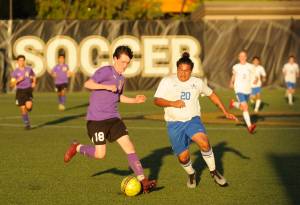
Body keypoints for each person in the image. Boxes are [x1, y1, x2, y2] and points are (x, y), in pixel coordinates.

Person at [63, 46, 156, 193]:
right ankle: (77, 147)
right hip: (96, 120)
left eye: (127, 63)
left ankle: (143, 180)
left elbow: (118, 96)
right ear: (115, 59)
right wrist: (105, 87)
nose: (124, 66)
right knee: (100, 154)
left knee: (129, 147)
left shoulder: (121, 78)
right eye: (122, 62)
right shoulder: (105, 71)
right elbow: (88, 84)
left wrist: (135, 100)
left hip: (113, 119)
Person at [154, 52, 237, 188]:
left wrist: (225, 111)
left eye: (186, 71)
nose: (183, 73)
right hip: (174, 124)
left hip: (193, 120)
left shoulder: (197, 82)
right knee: (183, 158)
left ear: (191, 71)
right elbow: (157, 100)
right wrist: (173, 103)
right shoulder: (167, 81)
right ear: (177, 69)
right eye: (180, 70)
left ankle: (214, 172)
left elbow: (212, 95)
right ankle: (192, 174)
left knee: (204, 143)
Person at [229, 51, 256, 134]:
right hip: (239, 89)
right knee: (245, 107)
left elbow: (254, 77)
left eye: (244, 56)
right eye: (240, 56)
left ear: (246, 57)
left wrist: (254, 88)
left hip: (248, 90)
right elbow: (233, 75)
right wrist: (231, 82)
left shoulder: (250, 66)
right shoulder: (236, 67)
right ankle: (249, 126)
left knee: (242, 107)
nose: (242, 57)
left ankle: (233, 103)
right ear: (238, 57)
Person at [10, 55, 36, 130]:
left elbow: (33, 76)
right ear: (17, 62)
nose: (21, 62)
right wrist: (18, 80)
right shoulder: (15, 72)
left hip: (28, 90)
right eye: (20, 60)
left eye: (22, 60)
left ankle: (29, 108)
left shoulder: (29, 69)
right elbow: (11, 84)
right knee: (22, 108)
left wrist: (34, 82)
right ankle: (27, 124)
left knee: (28, 107)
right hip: (20, 91)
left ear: (24, 61)